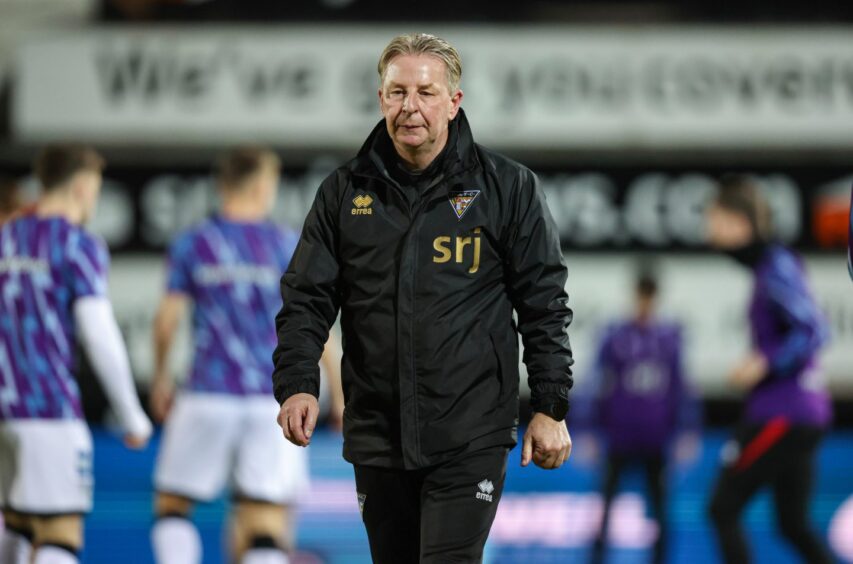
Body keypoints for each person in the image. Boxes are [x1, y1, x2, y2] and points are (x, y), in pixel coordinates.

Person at [273, 33, 573, 563]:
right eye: (397, 92)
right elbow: (306, 298)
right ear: (380, 98)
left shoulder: (508, 188)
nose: (410, 106)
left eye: (426, 92)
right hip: (378, 435)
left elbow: (543, 302)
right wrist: (298, 384)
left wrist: (550, 406)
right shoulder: (343, 194)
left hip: (470, 432)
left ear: (454, 102)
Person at [149, 147, 341, 564]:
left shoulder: (195, 242)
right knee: (266, 517)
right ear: (260, 186)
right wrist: (342, 396)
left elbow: (166, 321)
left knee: (172, 505)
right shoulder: (286, 244)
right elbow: (316, 327)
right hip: (270, 399)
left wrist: (161, 378)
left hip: (206, 392)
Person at [0, 145, 152, 564]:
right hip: (47, 408)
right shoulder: (76, 243)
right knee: (60, 529)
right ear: (84, 187)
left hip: (4, 410)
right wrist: (131, 413)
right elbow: (100, 336)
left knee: (15, 518)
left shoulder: (6, 236)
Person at [706, 175, 833, 564]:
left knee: (722, 508)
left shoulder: (775, 265)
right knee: (792, 525)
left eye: (715, 223)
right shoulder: (771, 266)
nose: (710, 234)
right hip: (803, 413)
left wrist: (765, 361)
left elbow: (814, 329)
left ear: (738, 222)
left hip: (783, 412)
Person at [574, 269, 699, 564]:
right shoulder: (615, 335)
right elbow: (594, 382)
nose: (645, 304)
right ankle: (597, 558)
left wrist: (687, 431)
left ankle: (659, 559)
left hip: (656, 437)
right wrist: (586, 429)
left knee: (659, 507)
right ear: (635, 296)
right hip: (619, 435)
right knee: (605, 504)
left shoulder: (669, 338)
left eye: (650, 297)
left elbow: (681, 386)